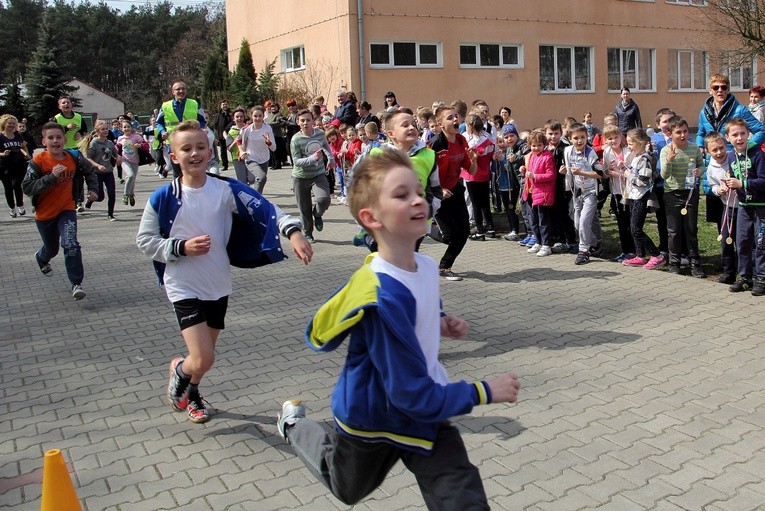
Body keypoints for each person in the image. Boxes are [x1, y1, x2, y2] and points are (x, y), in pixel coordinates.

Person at [276, 148, 521, 509]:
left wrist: (439, 321)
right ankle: (295, 427)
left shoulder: (422, 264)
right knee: (347, 488)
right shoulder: (382, 298)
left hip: (426, 416)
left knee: (462, 497)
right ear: (370, 217)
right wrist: (483, 391)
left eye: (419, 191)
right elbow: (408, 392)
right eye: (402, 195)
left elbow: (421, 302)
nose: (418, 201)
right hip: (374, 418)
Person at [136, 120, 312, 424]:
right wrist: (181, 247)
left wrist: (294, 232)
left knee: (203, 360)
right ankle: (180, 371)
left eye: (201, 147)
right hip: (182, 283)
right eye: (186, 148)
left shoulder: (224, 189)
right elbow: (145, 241)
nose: (195, 153)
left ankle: (192, 394)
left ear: (210, 151)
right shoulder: (162, 198)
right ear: (173, 156)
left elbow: (266, 209)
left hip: (217, 283)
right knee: (203, 357)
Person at [22, 122, 99, 300]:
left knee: (70, 244)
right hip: (44, 214)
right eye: (50, 138)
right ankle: (42, 257)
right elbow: (27, 187)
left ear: (64, 139)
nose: (55, 141)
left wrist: (93, 189)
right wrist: (51, 177)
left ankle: (76, 284)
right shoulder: (38, 161)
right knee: (52, 249)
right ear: (44, 141)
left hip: (67, 209)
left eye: (58, 137)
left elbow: (90, 172)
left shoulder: (74, 157)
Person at [429, 105, 477, 281]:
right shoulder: (435, 145)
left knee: (464, 232)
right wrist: (439, 190)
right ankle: (428, 228)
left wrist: (474, 160)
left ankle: (445, 266)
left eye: (456, 116)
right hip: (438, 194)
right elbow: (425, 172)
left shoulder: (461, 141)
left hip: (455, 191)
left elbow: (470, 170)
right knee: (449, 236)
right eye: (450, 118)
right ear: (440, 124)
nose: (455, 120)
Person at [721, 118, 765, 295]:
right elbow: (733, 177)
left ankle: (761, 278)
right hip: (743, 207)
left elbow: (763, 180)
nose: (739, 138)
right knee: (742, 242)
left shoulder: (758, 155)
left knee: (761, 243)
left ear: (748, 134)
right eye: (734, 134)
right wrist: (728, 185)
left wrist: (742, 184)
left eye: (742, 134)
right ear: (727, 137)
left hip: (761, 206)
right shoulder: (731, 156)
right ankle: (745, 277)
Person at [660, 116, 705, 277]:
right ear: (670, 133)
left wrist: (701, 171)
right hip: (672, 193)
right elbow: (664, 175)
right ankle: (674, 263)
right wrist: (669, 161)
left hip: (690, 193)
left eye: (685, 131)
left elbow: (701, 164)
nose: (682, 135)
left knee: (691, 229)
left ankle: (695, 263)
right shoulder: (666, 151)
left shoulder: (693, 148)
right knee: (674, 231)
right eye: (678, 132)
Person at [290, 109, 335, 243]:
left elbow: (325, 145)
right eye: (302, 120)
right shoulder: (295, 140)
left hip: (318, 174)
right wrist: (312, 158)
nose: (305, 123)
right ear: (298, 122)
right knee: (304, 209)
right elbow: (296, 162)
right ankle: (308, 233)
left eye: (308, 120)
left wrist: (330, 158)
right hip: (300, 177)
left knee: (324, 200)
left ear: (313, 121)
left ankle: (318, 214)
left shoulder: (320, 134)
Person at [621, 128, 664, 269]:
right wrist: (625, 168)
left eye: (630, 143)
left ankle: (657, 255)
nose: (628, 146)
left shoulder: (644, 159)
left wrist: (629, 175)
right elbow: (635, 173)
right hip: (633, 196)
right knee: (633, 227)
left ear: (640, 143)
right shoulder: (636, 158)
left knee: (636, 229)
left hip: (641, 198)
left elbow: (643, 181)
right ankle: (640, 255)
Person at [563, 123, 603, 264]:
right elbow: (568, 170)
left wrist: (581, 172)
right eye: (576, 138)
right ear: (570, 139)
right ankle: (595, 243)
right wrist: (564, 172)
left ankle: (583, 251)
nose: (579, 141)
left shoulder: (590, 153)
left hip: (591, 192)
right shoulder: (568, 151)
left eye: (582, 137)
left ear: (587, 137)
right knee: (577, 223)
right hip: (577, 192)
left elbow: (599, 174)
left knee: (584, 222)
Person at [704, 131, 738, 284]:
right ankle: (728, 272)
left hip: (743, 207)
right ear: (708, 151)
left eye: (721, 148)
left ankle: (748, 272)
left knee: (744, 241)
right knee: (726, 240)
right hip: (728, 207)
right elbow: (712, 185)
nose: (719, 152)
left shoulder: (734, 159)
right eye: (714, 150)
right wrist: (719, 190)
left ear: (726, 146)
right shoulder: (710, 167)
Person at [156, 81, 207, 178]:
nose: (181, 91)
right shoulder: (165, 106)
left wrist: (200, 129)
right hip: (173, 142)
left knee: (190, 169)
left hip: (191, 142)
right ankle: (179, 191)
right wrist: (162, 131)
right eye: (178, 89)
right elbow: (159, 122)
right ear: (173, 92)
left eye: (183, 89)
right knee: (177, 170)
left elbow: (202, 120)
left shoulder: (194, 104)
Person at [601, 124, 636, 262]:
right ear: (606, 140)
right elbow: (605, 171)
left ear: (621, 137)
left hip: (629, 190)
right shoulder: (607, 152)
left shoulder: (628, 151)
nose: (613, 140)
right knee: (621, 222)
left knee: (630, 220)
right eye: (610, 138)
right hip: (616, 191)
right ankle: (626, 250)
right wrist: (608, 170)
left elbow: (633, 171)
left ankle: (634, 250)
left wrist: (621, 170)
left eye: (616, 137)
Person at [522, 130, 556, 257]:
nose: (536, 148)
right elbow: (529, 171)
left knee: (543, 220)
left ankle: (546, 244)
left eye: (539, 145)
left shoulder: (547, 157)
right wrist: (524, 169)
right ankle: (538, 241)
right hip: (531, 192)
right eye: (534, 145)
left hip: (543, 193)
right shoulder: (531, 156)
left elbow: (551, 175)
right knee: (533, 219)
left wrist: (535, 176)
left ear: (544, 145)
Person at [54, 97, 89, 212]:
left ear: (71, 105)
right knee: (63, 176)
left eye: (68, 102)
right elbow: (53, 133)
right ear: (59, 106)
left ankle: (79, 201)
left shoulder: (78, 117)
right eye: (63, 103)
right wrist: (66, 128)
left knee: (78, 176)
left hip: (76, 149)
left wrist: (80, 134)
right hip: (61, 151)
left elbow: (85, 131)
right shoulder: (57, 118)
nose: (66, 104)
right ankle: (63, 200)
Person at [464, 113, 495, 240]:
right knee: (485, 202)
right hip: (485, 173)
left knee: (475, 203)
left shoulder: (467, 139)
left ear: (470, 126)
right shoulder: (487, 137)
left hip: (472, 174)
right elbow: (491, 152)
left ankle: (480, 231)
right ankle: (490, 228)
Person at [84, 120, 118, 220]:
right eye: (102, 129)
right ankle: (90, 200)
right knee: (100, 197)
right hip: (97, 173)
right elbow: (88, 158)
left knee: (112, 193)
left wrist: (118, 157)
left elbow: (115, 153)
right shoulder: (94, 143)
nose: (105, 131)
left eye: (106, 129)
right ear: (97, 131)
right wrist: (98, 166)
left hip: (108, 172)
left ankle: (110, 214)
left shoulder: (110, 143)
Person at [239, 106, 275, 193]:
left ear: (263, 116)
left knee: (261, 181)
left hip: (264, 159)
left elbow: (274, 148)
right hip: (251, 158)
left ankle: (256, 198)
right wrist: (241, 151)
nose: (258, 118)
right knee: (261, 177)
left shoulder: (267, 128)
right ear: (251, 116)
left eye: (260, 116)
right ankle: (256, 199)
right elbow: (239, 139)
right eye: (255, 116)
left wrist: (268, 142)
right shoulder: (246, 129)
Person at [0, 114, 29, 218]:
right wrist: (3, 154)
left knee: (17, 186)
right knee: (8, 188)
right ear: (4, 124)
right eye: (9, 123)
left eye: (13, 123)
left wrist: (26, 154)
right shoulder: (1, 136)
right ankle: (12, 208)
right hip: (4, 166)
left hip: (19, 164)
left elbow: (23, 146)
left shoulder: (17, 135)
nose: (12, 125)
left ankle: (20, 205)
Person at [116, 121, 143, 207]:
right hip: (125, 160)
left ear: (131, 128)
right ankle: (125, 195)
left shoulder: (136, 137)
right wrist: (117, 156)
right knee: (130, 175)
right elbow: (117, 149)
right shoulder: (120, 138)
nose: (126, 128)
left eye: (128, 127)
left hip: (135, 161)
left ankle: (131, 195)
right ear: (121, 129)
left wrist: (140, 145)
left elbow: (145, 144)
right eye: (124, 127)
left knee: (132, 179)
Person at [213, 100, 232, 171]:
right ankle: (225, 165)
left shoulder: (231, 114)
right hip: (221, 136)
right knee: (223, 151)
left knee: (232, 149)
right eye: (223, 105)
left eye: (226, 104)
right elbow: (215, 125)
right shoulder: (218, 115)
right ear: (221, 106)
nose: (225, 106)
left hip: (230, 135)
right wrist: (217, 136)